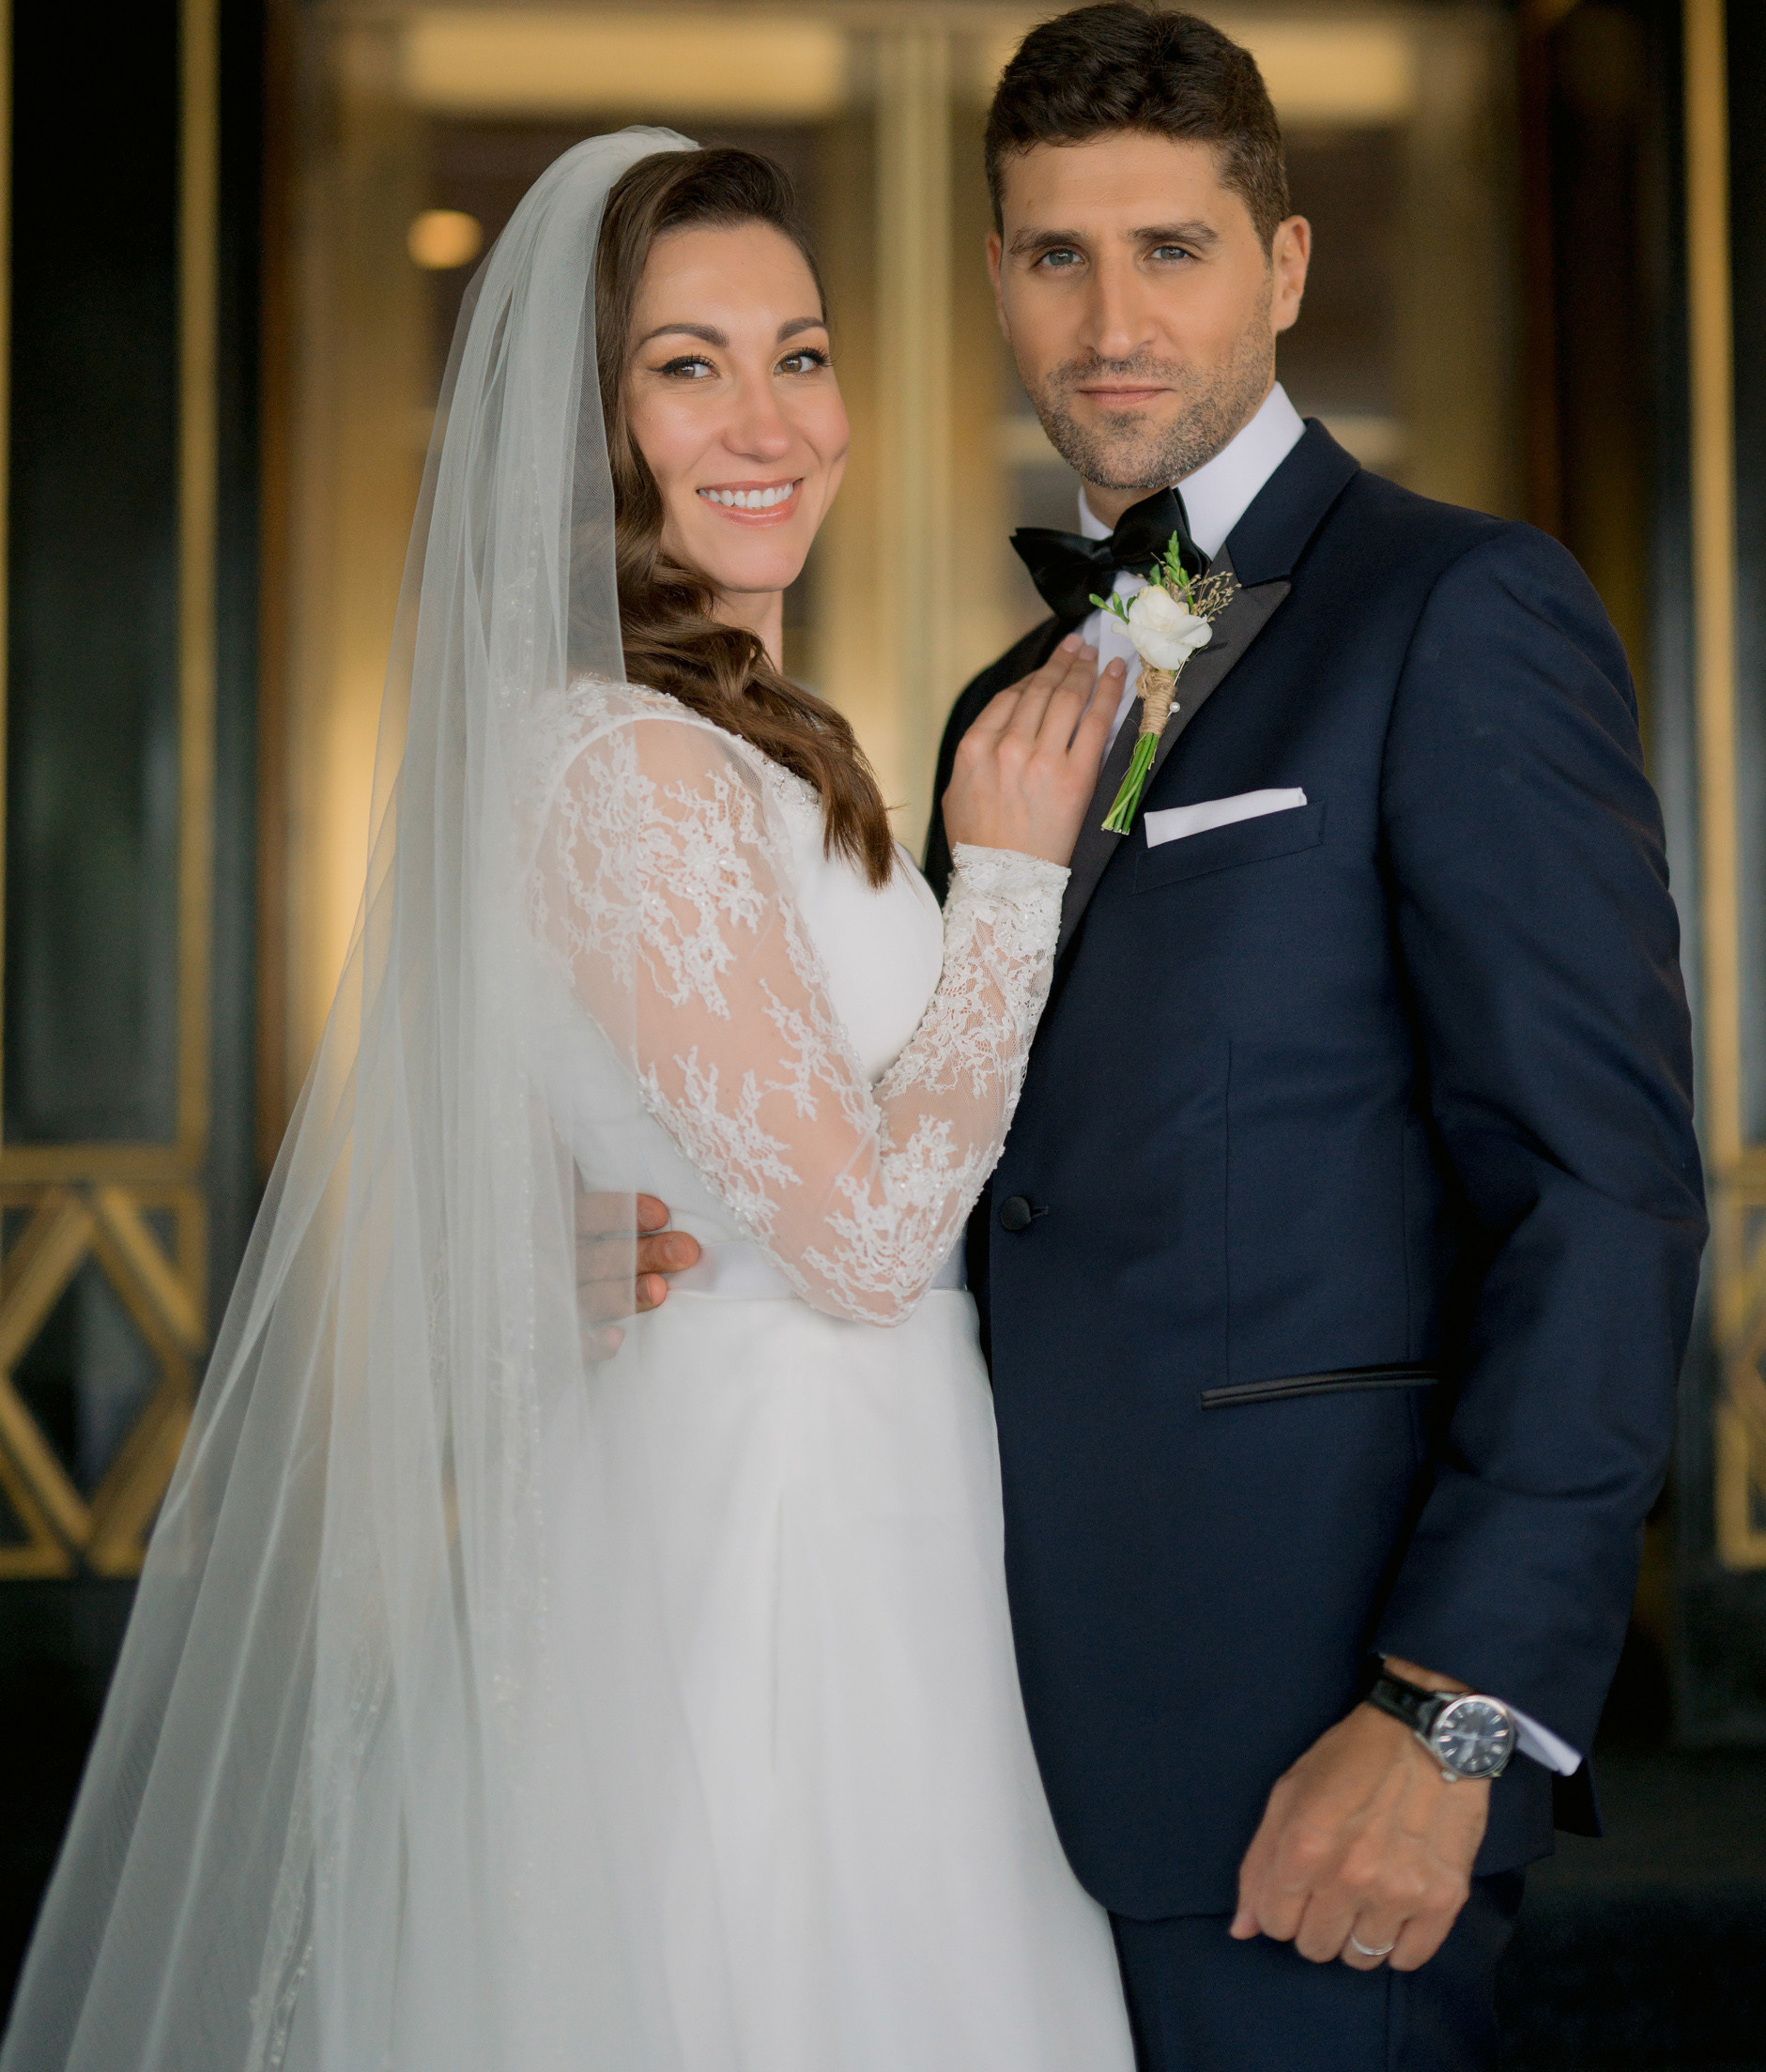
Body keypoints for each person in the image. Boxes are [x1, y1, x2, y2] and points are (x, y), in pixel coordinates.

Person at [589, 4, 1708, 2072]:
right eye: (1049, 255)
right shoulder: (998, 707)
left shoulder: (1461, 613)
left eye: (1169, 250)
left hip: (1312, 1751)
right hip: (967, 1743)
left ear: (1280, 268)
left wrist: (1444, 1714)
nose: (1108, 320)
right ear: (997, 281)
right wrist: (602, 1236)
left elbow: (1601, 1194)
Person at [0, 130, 1136, 2072]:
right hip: (775, 1521)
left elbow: (624, 1121)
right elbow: (863, 1243)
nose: (767, 416)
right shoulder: (618, 762)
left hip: (863, 1492)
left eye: (799, 350)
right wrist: (1012, 878)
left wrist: (564, 1228)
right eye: (685, 364)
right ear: (587, 426)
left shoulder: (743, 739)